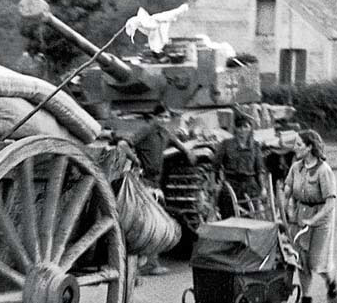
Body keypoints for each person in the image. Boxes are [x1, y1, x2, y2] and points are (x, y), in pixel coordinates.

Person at [112, 106, 196, 275]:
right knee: (147, 221)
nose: (164, 120)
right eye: (161, 117)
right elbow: (122, 145)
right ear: (154, 117)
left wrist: (187, 151)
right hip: (145, 181)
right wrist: (135, 159)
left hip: (155, 183)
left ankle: (147, 262)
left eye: (166, 117)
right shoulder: (147, 130)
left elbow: (178, 143)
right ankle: (148, 263)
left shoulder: (165, 133)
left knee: (154, 221)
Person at [283, 129, 337, 303]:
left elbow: (330, 203)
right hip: (301, 214)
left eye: (299, 144)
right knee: (301, 259)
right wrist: (286, 206)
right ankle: (306, 301)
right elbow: (288, 188)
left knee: (317, 262)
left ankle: (330, 283)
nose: (295, 147)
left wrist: (314, 220)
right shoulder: (296, 167)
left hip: (321, 218)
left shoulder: (324, 171)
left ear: (309, 148)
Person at [214, 113, 267, 217]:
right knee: (229, 216)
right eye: (239, 127)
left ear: (250, 128)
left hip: (249, 186)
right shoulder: (226, 144)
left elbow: (260, 169)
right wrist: (215, 185)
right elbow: (215, 166)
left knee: (250, 216)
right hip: (230, 185)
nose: (242, 130)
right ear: (235, 128)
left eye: (245, 127)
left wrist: (263, 188)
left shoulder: (255, 146)